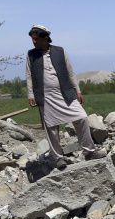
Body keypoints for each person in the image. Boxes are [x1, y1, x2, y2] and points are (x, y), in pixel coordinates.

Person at [25, 24, 105, 169]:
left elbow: (70, 72)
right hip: (45, 96)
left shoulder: (60, 51)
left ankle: (89, 151)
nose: (34, 42)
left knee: (81, 117)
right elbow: (29, 75)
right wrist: (30, 93)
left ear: (45, 38)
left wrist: (78, 91)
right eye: (32, 39)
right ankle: (57, 158)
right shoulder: (31, 55)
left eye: (36, 39)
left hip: (65, 93)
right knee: (51, 128)